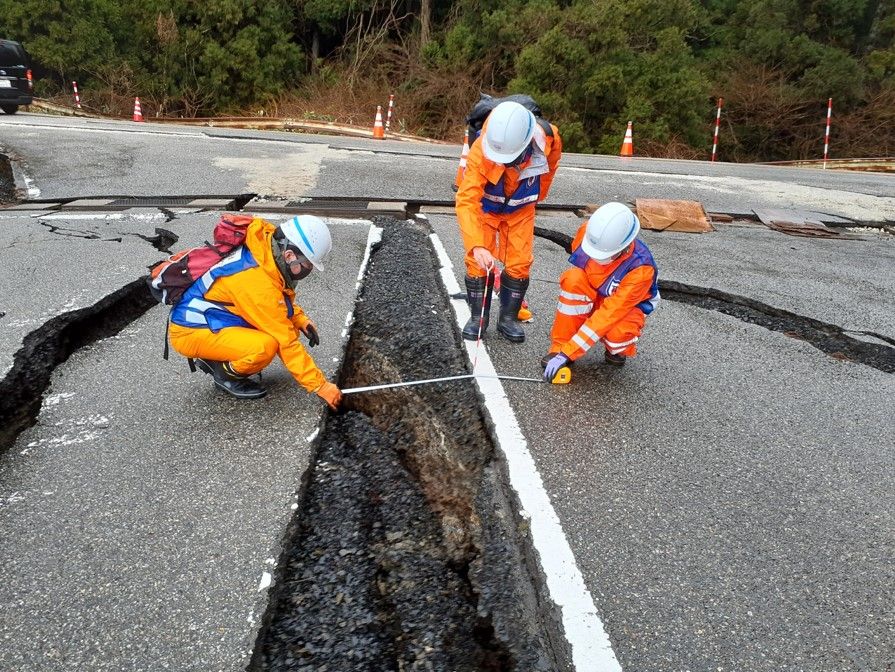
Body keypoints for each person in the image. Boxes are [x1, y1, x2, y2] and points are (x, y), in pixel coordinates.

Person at [167, 214, 342, 409]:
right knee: (264, 346)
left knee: (271, 330)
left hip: (214, 319)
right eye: (308, 264)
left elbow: (278, 300)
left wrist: (299, 319)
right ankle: (224, 375)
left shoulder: (264, 250)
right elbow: (285, 340)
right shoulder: (255, 280)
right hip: (191, 330)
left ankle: (218, 356)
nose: (307, 270)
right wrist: (320, 386)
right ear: (290, 255)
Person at [455, 100, 562, 343]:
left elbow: (551, 166)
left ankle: (508, 319)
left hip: (520, 210)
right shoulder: (482, 149)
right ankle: (478, 318)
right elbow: (467, 199)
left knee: (520, 262)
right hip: (486, 208)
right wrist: (478, 245)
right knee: (478, 261)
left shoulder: (548, 138)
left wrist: (537, 196)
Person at [542, 202, 659, 380]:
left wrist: (569, 353)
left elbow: (609, 314)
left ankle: (617, 350)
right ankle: (560, 345)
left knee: (617, 334)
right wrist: (562, 351)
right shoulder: (590, 233)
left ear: (624, 247)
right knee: (573, 279)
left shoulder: (640, 270)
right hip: (595, 291)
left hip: (623, 308)